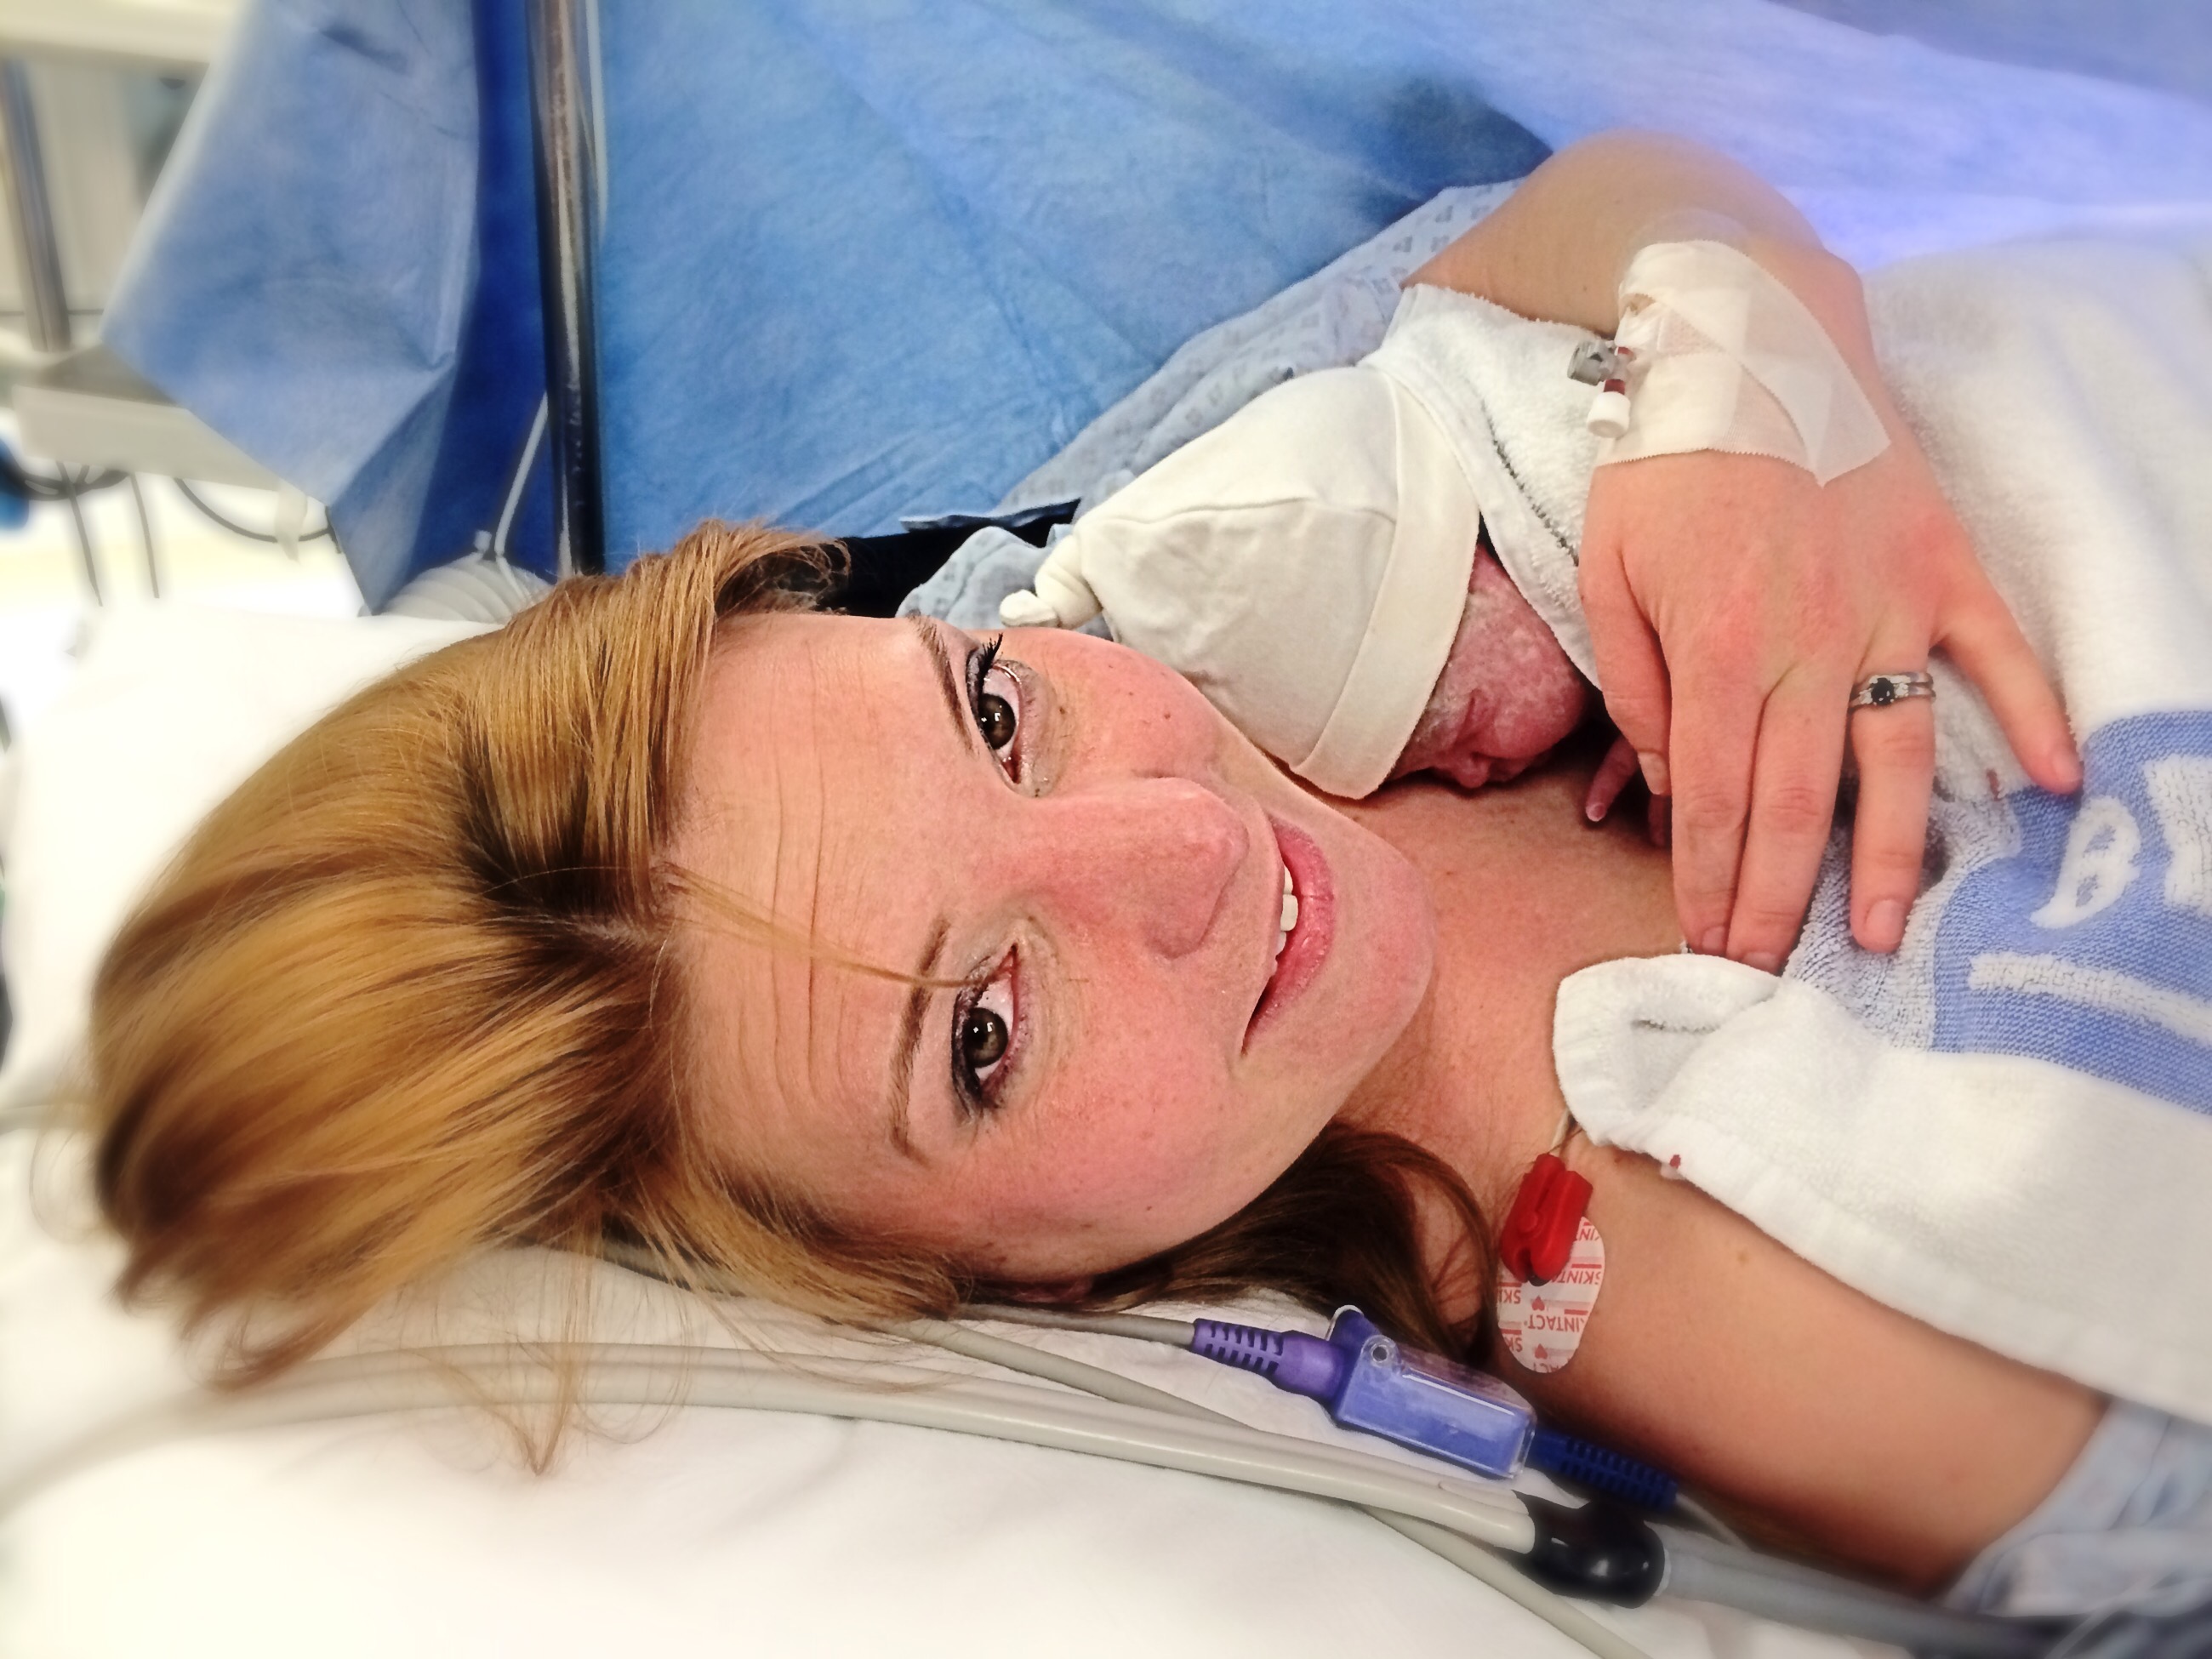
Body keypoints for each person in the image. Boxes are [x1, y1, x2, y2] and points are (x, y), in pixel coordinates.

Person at [88, 134, 2178, 1599]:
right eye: (985, 1033)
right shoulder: (1611, 1275)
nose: (1183, 839)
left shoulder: (1134, 579)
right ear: (931, 1275)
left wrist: (1747, 371)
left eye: (997, 721)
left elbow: (1582, 223)